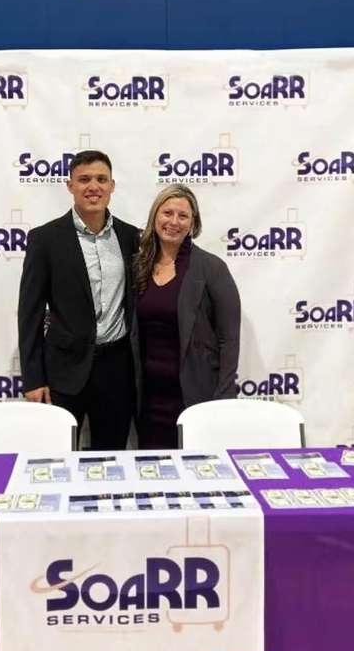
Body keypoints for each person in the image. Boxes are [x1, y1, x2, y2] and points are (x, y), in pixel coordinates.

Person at [17, 150, 139, 448]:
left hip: (117, 369)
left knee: (112, 456)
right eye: (84, 179)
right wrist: (33, 378)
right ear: (70, 185)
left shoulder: (131, 237)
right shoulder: (45, 239)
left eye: (101, 179)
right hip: (63, 371)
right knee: (57, 455)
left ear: (112, 186)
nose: (93, 187)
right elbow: (30, 313)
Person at [133, 184, 240, 448]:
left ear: (193, 223)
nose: (174, 221)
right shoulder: (139, 265)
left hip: (195, 396)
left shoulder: (211, 268)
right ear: (155, 216)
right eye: (167, 213)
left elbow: (229, 339)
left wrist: (224, 397)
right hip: (148, 399)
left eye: (183, 216)